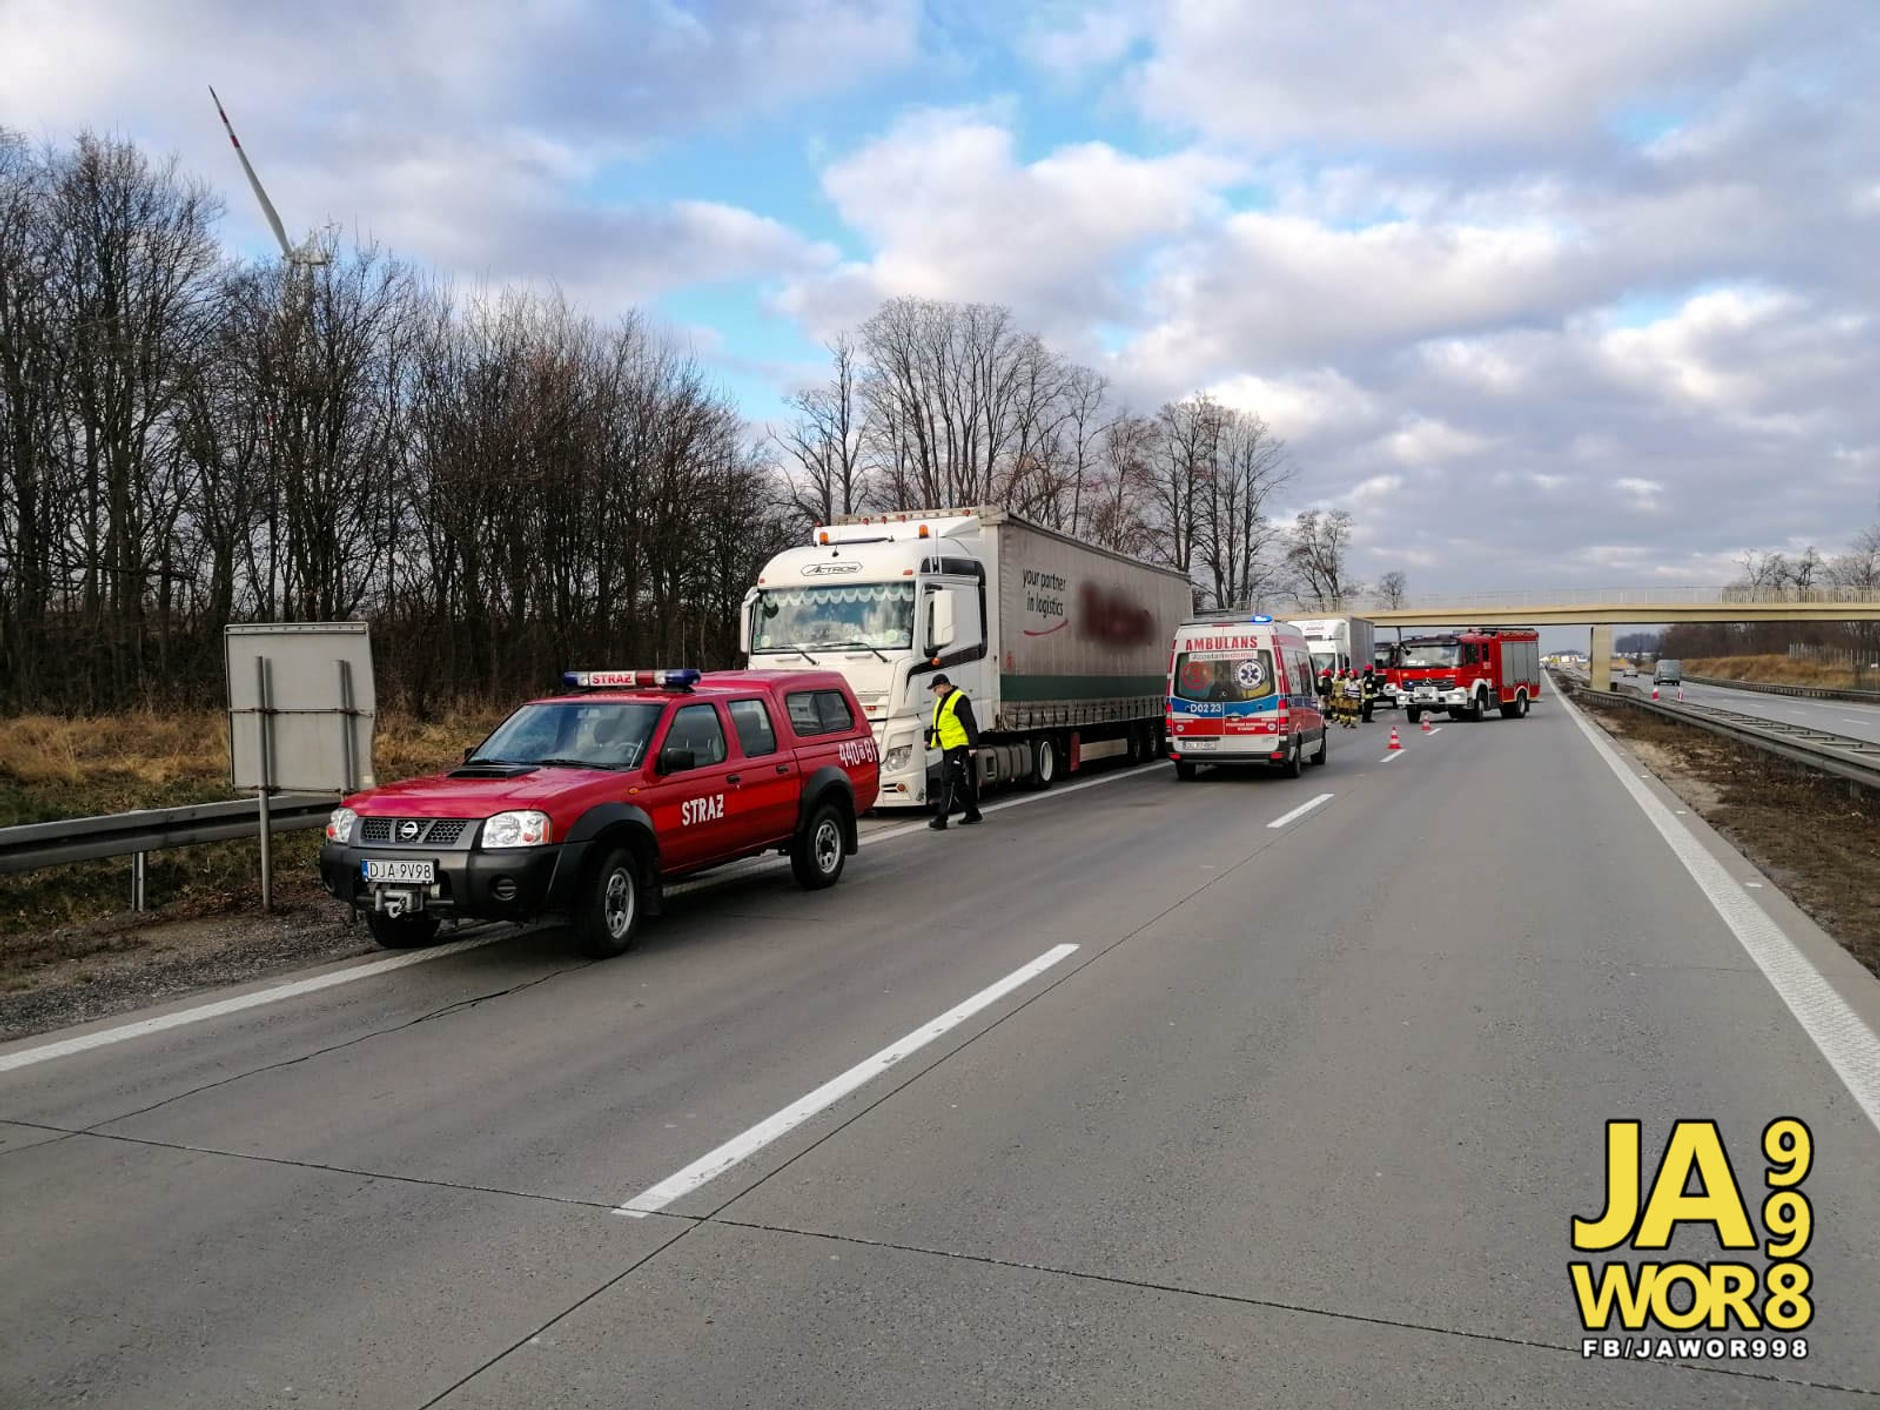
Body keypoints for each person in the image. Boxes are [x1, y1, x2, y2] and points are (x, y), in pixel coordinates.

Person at [927, 674, 982, 829]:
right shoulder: (942, 701)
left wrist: (973, 746)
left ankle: (941, 818)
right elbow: (938, 723)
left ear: (944, 685)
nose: (935, 692)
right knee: (958, 784)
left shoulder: (959, 699)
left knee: (947, 780)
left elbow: (969, 723)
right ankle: (973, 813)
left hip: (959, 746)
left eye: (935, 688)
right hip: (948, 746)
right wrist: (928, 738)